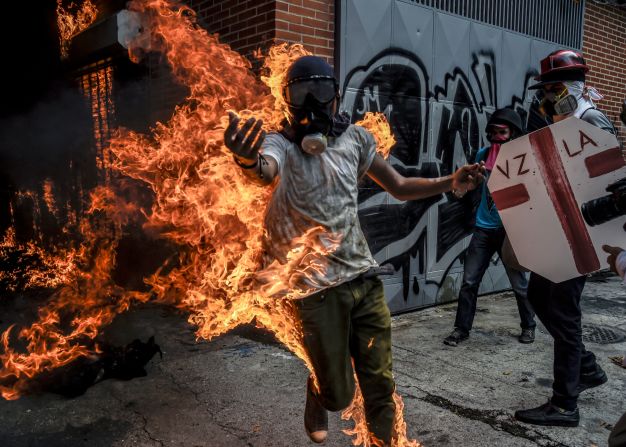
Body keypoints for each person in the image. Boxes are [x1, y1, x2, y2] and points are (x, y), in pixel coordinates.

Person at [223, 55, 484, 445]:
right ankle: (319, 391)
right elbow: (265, 170)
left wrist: (451, 180)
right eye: (301, 93)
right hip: (314, 290)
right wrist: (246, 160)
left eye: (321, 91)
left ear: (336, 97)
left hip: (364, 280)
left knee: (380, 386)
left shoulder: (358, 140)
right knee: (339, 394)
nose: (312, 103)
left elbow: (398, 185)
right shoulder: (280, 144)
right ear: (287, 100)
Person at [514, 49, 613, 427]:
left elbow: (604, 182)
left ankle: (564, 404)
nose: (543, 100)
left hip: (579, 235)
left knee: (565, 312)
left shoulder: (592, 121)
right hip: (560, 231)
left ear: (564, 89)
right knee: (539, 295)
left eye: (549, 91)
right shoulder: (567, 122)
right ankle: (584, 366)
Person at [443, 108, 536, 347]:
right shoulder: (484, 155)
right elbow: (468, 188)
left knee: (520, 285)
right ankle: (461, 329)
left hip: (509, 231)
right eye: (493, 132)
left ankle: (529, 326)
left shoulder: (522, 160)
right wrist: (469, 183)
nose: (496, 137)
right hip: (484, 228)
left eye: (502, 132)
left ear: (513, 134)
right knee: (469, 282)